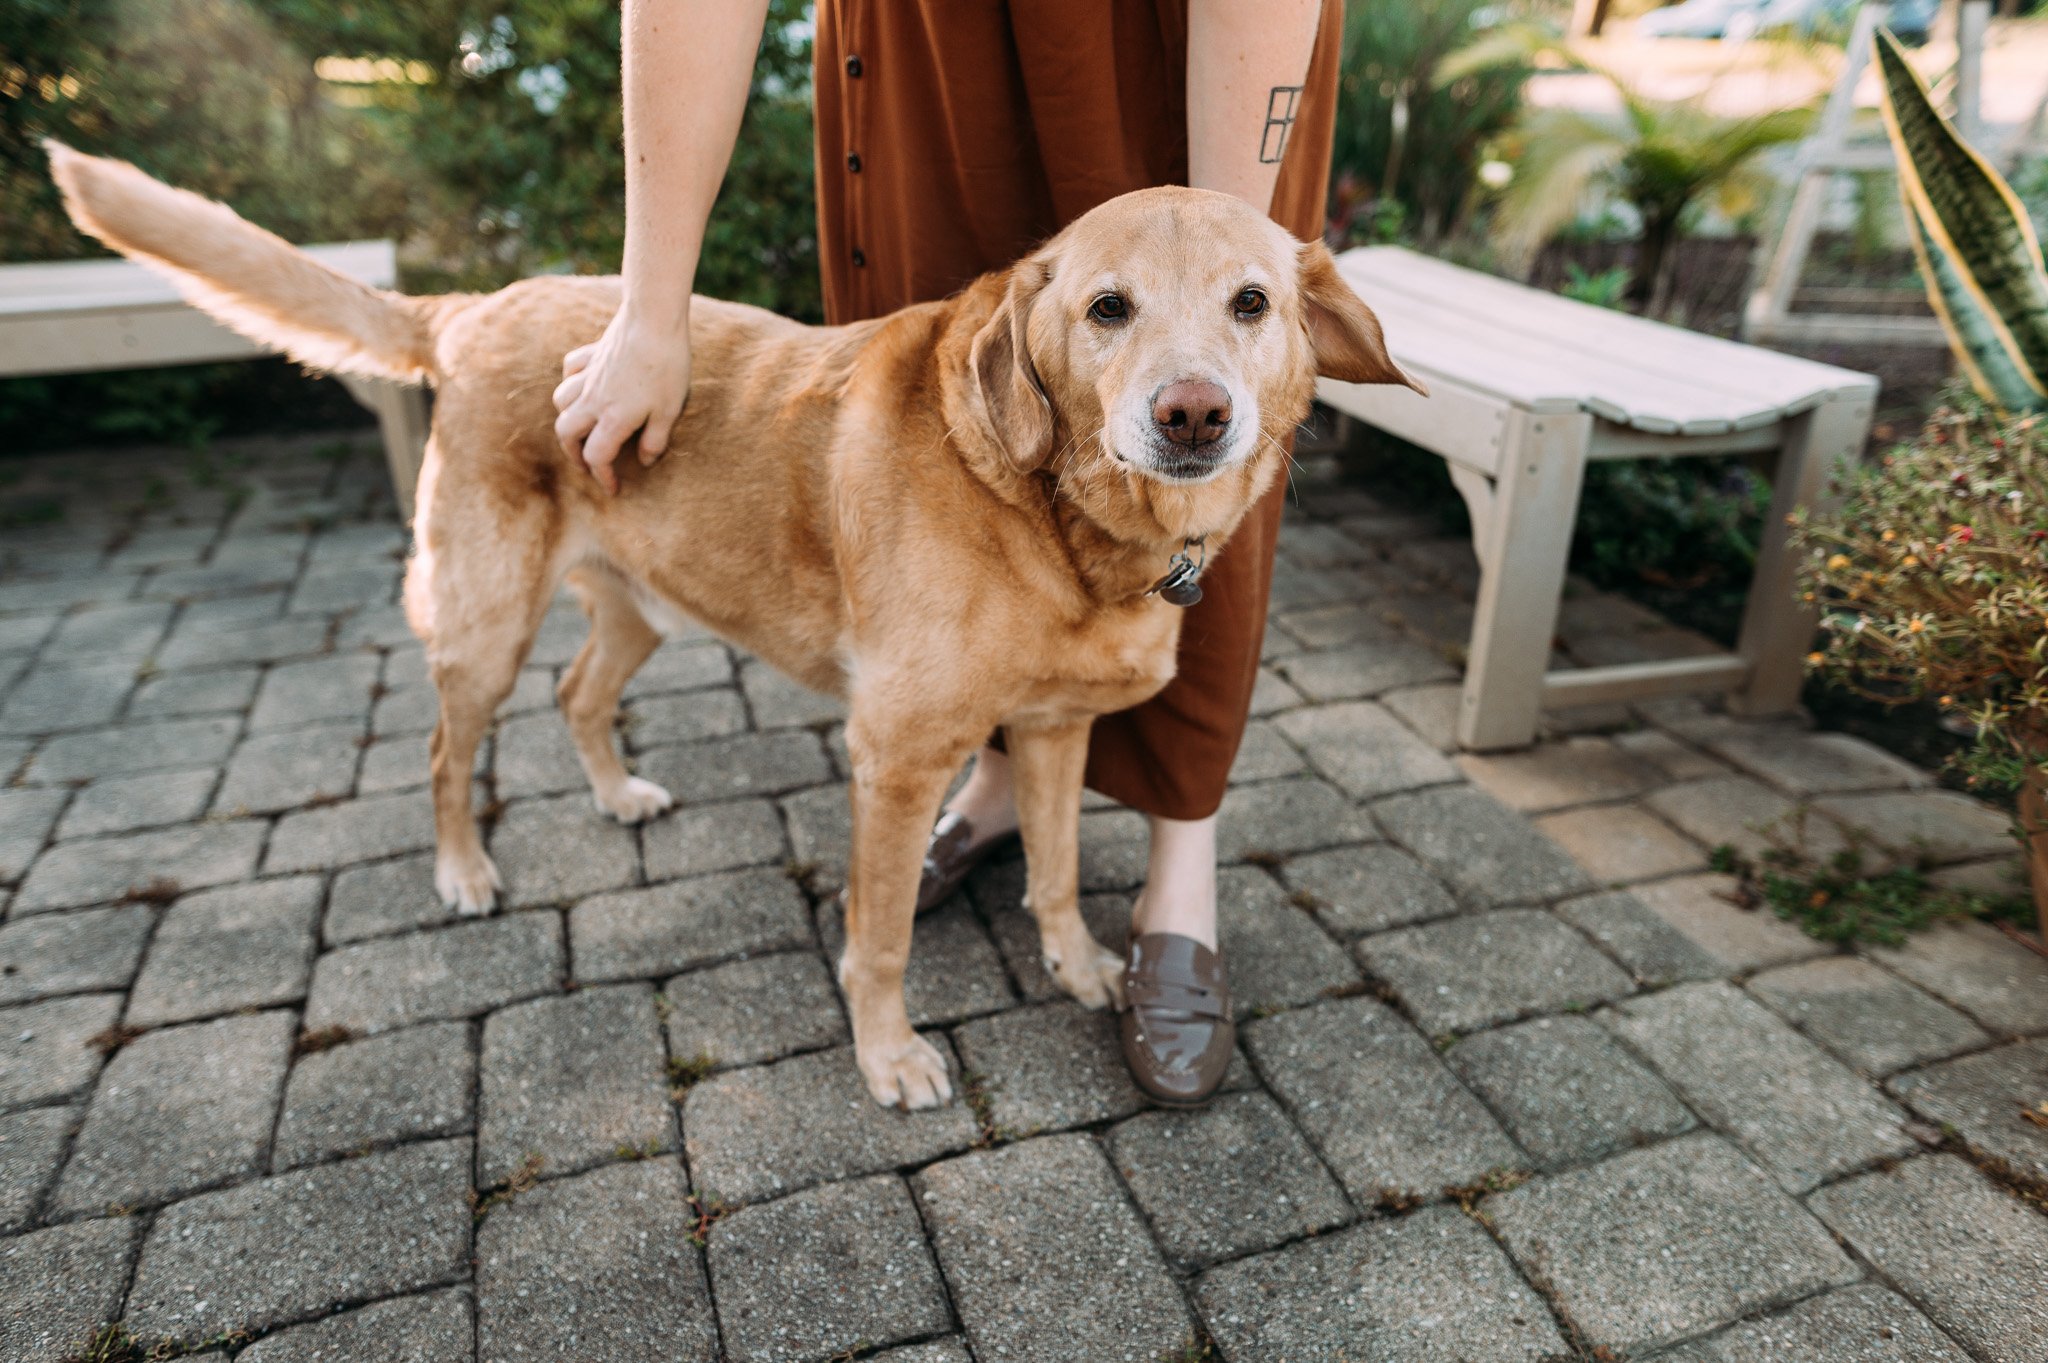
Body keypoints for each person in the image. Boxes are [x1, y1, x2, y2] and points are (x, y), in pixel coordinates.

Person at [554, 0, 1342, 1106]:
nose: (1190, 389)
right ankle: (963, 819)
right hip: (931, 51)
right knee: (932, 699)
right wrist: (651, 309)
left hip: (1192, 46)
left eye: (1258, 310)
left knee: (1179, 499)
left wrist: (1234, 258)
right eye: (1112, 308)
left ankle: (1175, 880)